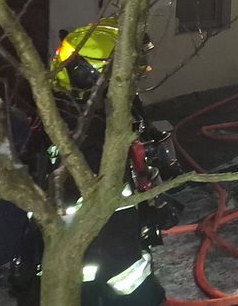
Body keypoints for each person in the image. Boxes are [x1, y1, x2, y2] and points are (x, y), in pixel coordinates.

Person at [10, 18, 174, 306]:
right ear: (89, 75)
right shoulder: (88, 132)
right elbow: (119, 259)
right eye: (122, 74)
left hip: (91, 250)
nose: (132, 81)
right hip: (100, 254)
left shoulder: (73, 114)